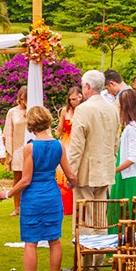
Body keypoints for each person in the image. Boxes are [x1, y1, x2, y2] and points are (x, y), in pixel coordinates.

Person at [0, 106, 76, 271]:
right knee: (54, 240)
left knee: (31, 242)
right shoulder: (58, 145)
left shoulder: (30, 147)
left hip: (33, 197)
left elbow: (26, 179)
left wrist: (8, 194)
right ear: (48, 121)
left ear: (31, 125)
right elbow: (70, 175)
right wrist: (73, 185)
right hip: (52, 195)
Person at [61, 70, 119, 271]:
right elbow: (115, 142)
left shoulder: (84, 110)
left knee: (84, 218)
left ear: (87, 87)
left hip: (86, 171)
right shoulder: (112, 108)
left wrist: (71, 173)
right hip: (104, 169)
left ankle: (84, 264)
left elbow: (77, 146)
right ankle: (97, 262)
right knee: (100, 217)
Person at [110, 89, 136, 205]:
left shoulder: (132, 128)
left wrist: (114, 170)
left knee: (125, 208)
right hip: (131, 173)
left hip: (127, 175)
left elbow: (133, 157)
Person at [55, 86, 82, 215]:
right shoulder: (65, 111)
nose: (72, 102)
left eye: (74, 99)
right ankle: (65, 205)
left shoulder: (83, 110)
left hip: (77, 142)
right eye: (70, 99)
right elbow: (60, 129)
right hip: (66, 142)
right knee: (62, 172)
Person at [3, 86, 28, 216]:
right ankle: (17, 207)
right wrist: (8, 150)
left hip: (30, 148)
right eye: (22, 98)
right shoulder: (12, 112)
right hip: (17, 149)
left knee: (31, 177)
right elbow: (8, 131)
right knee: (17, 178)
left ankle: (28, 206)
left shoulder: (33, 111)